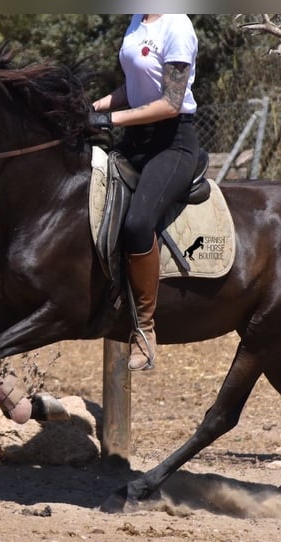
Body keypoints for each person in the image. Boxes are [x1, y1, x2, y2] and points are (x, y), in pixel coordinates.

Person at [89, 14, 200, 371]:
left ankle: (145, 329)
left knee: (137, 222)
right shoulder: (138, 20)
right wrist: (97, 107)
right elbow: (137, 88)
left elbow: (170, 101)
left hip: (173, 143)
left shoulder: (177, 26)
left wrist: (112, 120)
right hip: (137, 140)